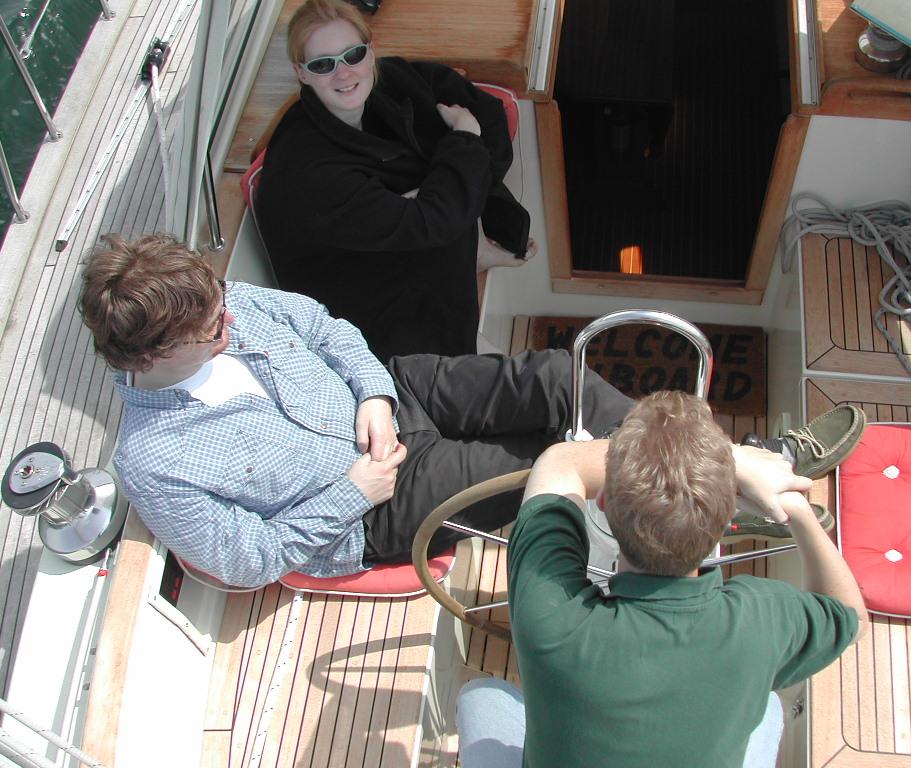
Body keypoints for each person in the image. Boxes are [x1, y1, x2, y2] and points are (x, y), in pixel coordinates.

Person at [80, 234, 625, 588]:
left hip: (395, 391)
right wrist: (353, 492)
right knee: (549, 461)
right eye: (213, 329)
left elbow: (323, 326)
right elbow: (245, 559)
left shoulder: (219, 301)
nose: (230, 319)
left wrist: (372, 394)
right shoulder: (153, 462)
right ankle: (668, 507)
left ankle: (674, 462)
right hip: (373, 504)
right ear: (155, 353)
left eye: (223, 304)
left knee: (555, 377)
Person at [456, 391, 868, 768]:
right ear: (728, 518)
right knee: (769, 706)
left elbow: (559, 463)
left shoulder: (550, 620)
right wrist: (793, 508)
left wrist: (730, 460)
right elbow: (851, 616)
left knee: (480, 697)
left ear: (601, 503)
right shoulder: (760, 622)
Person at [256, 0, 532, 363]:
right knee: (446, 204)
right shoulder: (310, 172)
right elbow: (435, 222)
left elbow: (488, 112)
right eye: (323, 64)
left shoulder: (394, 82)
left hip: (387, 240)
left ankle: (473, 248)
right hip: (356, 295)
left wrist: (466, 174)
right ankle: (452, 373)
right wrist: (466, 137)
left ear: (371, 53)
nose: (343, 73)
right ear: (302, 73)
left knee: (449, 183)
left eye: (352, 55)